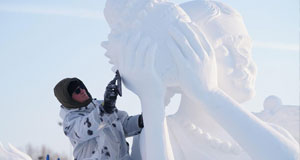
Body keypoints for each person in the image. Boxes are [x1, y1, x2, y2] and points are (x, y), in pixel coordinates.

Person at [54, 75, 144, 160]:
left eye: (82, 87)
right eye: (77, 91)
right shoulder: (70, 121)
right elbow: (86, 128)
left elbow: (123, 125)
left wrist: (141, 121)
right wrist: (105, 110)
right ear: (69, 99)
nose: (82, 91)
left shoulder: (101, 106)